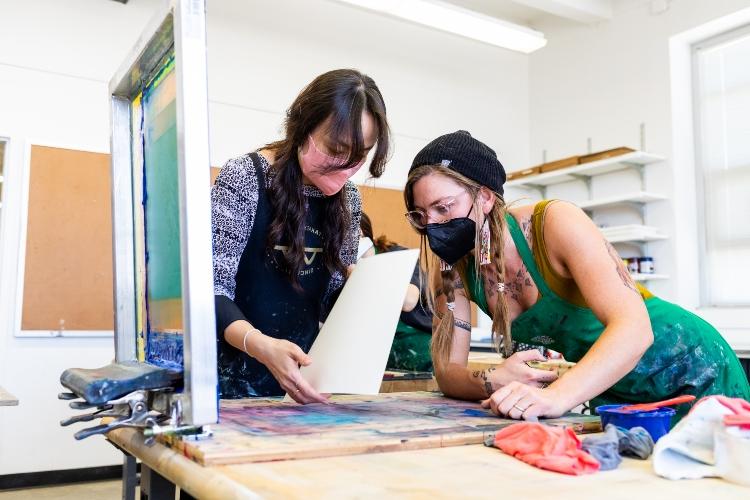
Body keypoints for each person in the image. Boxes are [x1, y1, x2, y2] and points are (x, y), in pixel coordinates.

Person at [403, 130, 750, 422]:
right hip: (611, 386)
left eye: (443, 208)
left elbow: (634, 329)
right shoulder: (454, 270)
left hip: (688, 365)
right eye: (421, 215)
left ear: (485, 198)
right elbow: (448, 373)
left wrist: (556, 398)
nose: (433, 225)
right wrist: (492, 379)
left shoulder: (552, 223)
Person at [211, 69, 390, 403]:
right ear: (303, 126)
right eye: (336, 149)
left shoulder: (348, 201)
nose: (346, 167)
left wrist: (360, 291)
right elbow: (210, 290)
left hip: (301, 386)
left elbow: (328, 303)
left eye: (360, 155)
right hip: (231, 382)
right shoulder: (246, 178)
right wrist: (258, 344)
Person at [358, 213, 433, 371]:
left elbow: (409, 301)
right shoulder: (337, 269)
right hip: (376, 357)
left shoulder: (397, 254)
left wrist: (365, 266)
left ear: (362, 234)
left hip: (417, 349)